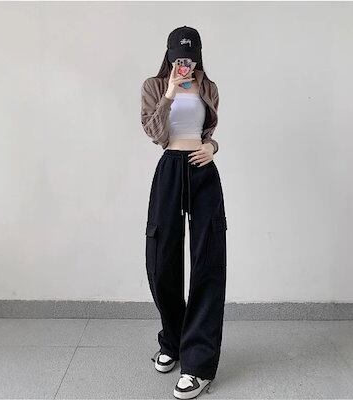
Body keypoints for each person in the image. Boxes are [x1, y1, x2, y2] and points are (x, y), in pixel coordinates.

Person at [140, 25, 227, 399]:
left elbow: (208, 132)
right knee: (161, 260)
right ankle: (173, 341)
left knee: (208, 260)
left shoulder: (209, 86)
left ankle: (198, 365)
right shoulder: (154, 86)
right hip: (170, 168)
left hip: (202, 169)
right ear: (169, 55)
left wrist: (213, 147)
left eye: (190, 59)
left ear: (198, 56)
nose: (184, 65)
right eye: (178, 58)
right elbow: (153, 132)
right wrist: (170, 93)